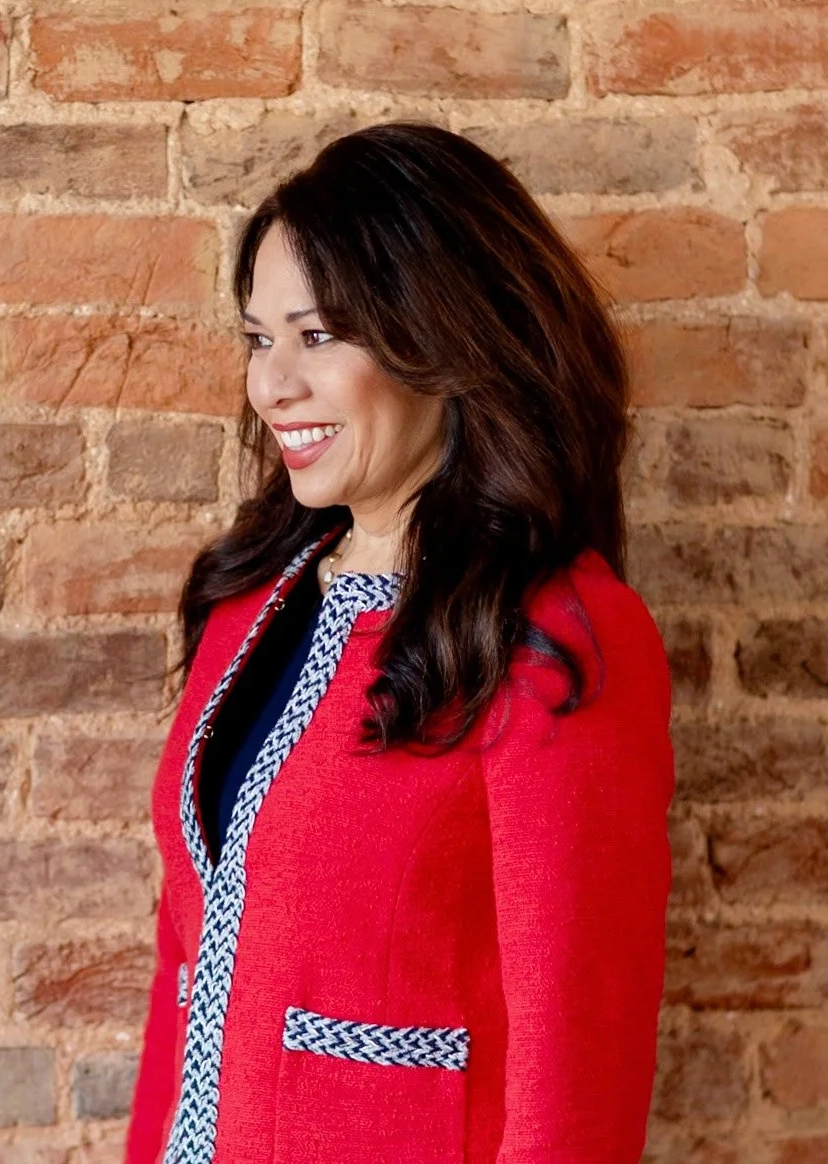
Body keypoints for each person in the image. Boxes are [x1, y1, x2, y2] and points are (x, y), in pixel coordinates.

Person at [123, 122, 674, 1163]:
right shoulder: (249, 599)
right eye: (257, 337)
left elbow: (577, 1049)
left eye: (320, 336)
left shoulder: (554, 635)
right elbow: (185, 969)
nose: (271, 385)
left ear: (442, 341)